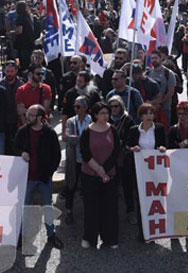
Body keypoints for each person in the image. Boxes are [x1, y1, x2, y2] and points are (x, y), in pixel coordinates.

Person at [15, 104, 63, 249]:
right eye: (27, 114)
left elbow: (57, 155)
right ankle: (21, 236)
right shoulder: (23, 131)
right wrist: (21, 153)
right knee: (25, 208)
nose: (27, 117)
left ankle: (51, 235)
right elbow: (15, 147)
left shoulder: (50, 133)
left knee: (48, 207)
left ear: (40, 117)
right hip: (28, 178)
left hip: (44, 178)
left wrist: (49, 172)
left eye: (31, 115)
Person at [79, 102, 121, 249]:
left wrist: (105, 169)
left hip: (109, 175)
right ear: (95, 115)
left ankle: (110, 239)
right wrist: (98, 169)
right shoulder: (87, 131)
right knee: (91, 208)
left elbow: (116, 151)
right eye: (102, 113)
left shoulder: (113, 130)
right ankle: (89, 238)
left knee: (110, 208)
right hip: (90, 175)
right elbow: (85, 153)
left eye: (107, 113)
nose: (105, 116)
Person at [107, 96, 136, 224]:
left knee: (127, 185)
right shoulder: (107, 118)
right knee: (111, 186)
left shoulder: (128, 119)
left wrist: (123, 146)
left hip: (124, 157)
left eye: (116, 106)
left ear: (121, 106)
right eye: (111, 106)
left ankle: (130, 211)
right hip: (109, 156)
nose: (113, 109)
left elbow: (132, 137)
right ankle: (111, 213)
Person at [63, 96, 91, 225]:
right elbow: (68, 137)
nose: (75, 109)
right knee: (71, 186)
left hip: (88, 160)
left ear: (85, 107)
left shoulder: (91, 120)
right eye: (74, 106)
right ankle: (69, 212)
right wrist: (84, 139)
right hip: (74, 159)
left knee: (87, 188)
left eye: (78, 106)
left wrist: (78, 139)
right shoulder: (71, 121)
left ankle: (89, 213)